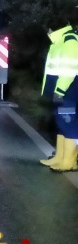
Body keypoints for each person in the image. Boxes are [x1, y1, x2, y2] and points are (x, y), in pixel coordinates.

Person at [40, 22, 78, 171]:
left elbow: (69, 70)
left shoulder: (70, 41)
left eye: (48, 29)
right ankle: (60, 157)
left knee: (68, 123)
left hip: (67, 92)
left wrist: (59, 91)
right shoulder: (60, 41)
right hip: (60, 92)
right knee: (61, 123)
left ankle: (69, 161)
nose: (47, 32)